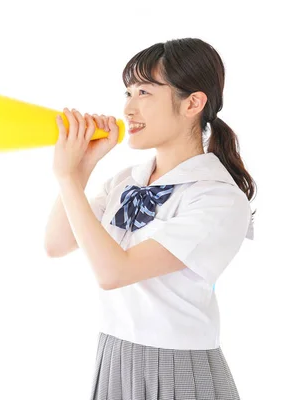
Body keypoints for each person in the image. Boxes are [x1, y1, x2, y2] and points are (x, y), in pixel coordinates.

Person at [44, 38, 256, 400]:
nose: (128, 108)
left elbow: (114, 272)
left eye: (144, 92)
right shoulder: (126, 180)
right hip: (113, 356)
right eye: (127, 93)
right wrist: (81, 169)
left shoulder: (218, 197)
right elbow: (57, 244)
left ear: (193, 103)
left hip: (179, 367)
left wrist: (66, 177)